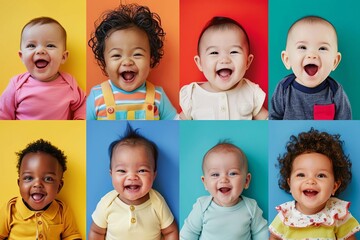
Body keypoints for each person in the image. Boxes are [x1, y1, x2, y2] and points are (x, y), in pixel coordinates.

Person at [87, 4, 177, 120]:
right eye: (116, 55)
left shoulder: (158, 96)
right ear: (105, 64)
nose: (127, 62)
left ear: (151, 60)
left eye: (137, 54)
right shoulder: (96, 96)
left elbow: (175, 123)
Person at [88, 124, 178, 239]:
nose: (132, 177)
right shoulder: (107, 203)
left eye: (141, 170)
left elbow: (170, 232)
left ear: (154, 175)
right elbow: (96, 232)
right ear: (111, 174)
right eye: (122, 170)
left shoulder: (157, 202)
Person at [269, 128, 360, 239]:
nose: (310, 181)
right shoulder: (286, 215)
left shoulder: (338, 213)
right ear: (290, 184)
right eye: (301, 175)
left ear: (334, 186)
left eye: (321, 175)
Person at [179, 16, 268, 120]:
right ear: (200, 63)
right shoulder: (192, 96)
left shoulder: (250, 92)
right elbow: (179, 126)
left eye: (234, 52)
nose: (224, 59)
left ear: (248, 61)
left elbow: (268, 121)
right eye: (214, 52)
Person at [0, 17, 86, 120]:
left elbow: (82, 104)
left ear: (63, 57)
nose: (40, 50)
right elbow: (3, 115)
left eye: (50, 45)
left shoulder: (69, 82)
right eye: (31, 45)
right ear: (22, 56)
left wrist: (80, 121)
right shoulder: (16, 84)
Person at [180, 141, 268, 239]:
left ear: (246, 181)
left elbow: (261, 233)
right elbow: (188, 234)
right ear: (205, 183)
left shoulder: (251, 207)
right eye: (215, 174)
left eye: (233, 173)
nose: (224, 179)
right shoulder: (202, 206)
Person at [270, 16, 351, 120]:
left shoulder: (335, 91)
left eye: (322, 48)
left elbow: (345, 123)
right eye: (302, 47)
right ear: (287, 59)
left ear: (334, 62)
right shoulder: (284, 88)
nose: (312, 55)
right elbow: (274, 119)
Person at [0, 139, 82, 239]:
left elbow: (71, 236)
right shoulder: (10, 210)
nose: (37, 184)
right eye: (29, 178)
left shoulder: (62, 211)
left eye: (48, 179)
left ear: (59, 187)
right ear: (19, 183)